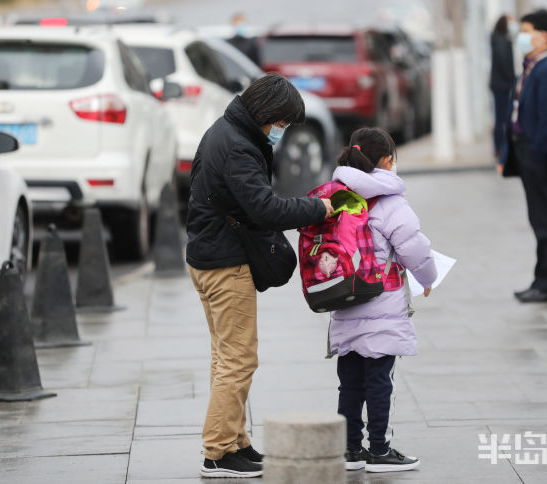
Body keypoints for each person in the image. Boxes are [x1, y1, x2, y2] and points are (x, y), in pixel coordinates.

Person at [186, 73, 333, 479]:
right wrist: (318, 210)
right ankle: (218, 452)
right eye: (281, 124)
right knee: (238, 359)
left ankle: (236, 442)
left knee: (226, 357)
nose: (279, 132)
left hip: (209, 255)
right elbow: (265, 209)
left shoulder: (228, 131)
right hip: (224, 263)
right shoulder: (237, 146)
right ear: (266, 113)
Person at [327, 127, 437, 473]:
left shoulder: (337, 195)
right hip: (382, 305)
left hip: (344, 302)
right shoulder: (390, 202)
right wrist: (428, 278)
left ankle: (349, 450)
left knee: (350, 382)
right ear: (388, 162)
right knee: (378, 381)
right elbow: (414, 248)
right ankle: (379, 450)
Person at [497, 9, 547, 303]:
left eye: (526, 30)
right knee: (540, 222)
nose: (521, 37)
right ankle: (540, 281)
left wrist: (537, 157)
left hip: (542, 158)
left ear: (543, 36)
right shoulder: (531, 67)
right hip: (527, 154)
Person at [490, 14, 516, 159]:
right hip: (502, 85)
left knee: (502, 118)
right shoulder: (501, 41)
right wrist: (512, 79)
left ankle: (501, 147)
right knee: (502, 118)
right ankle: (500, 148)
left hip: (500, 84)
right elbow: (504, 63)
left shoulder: (500, 40)